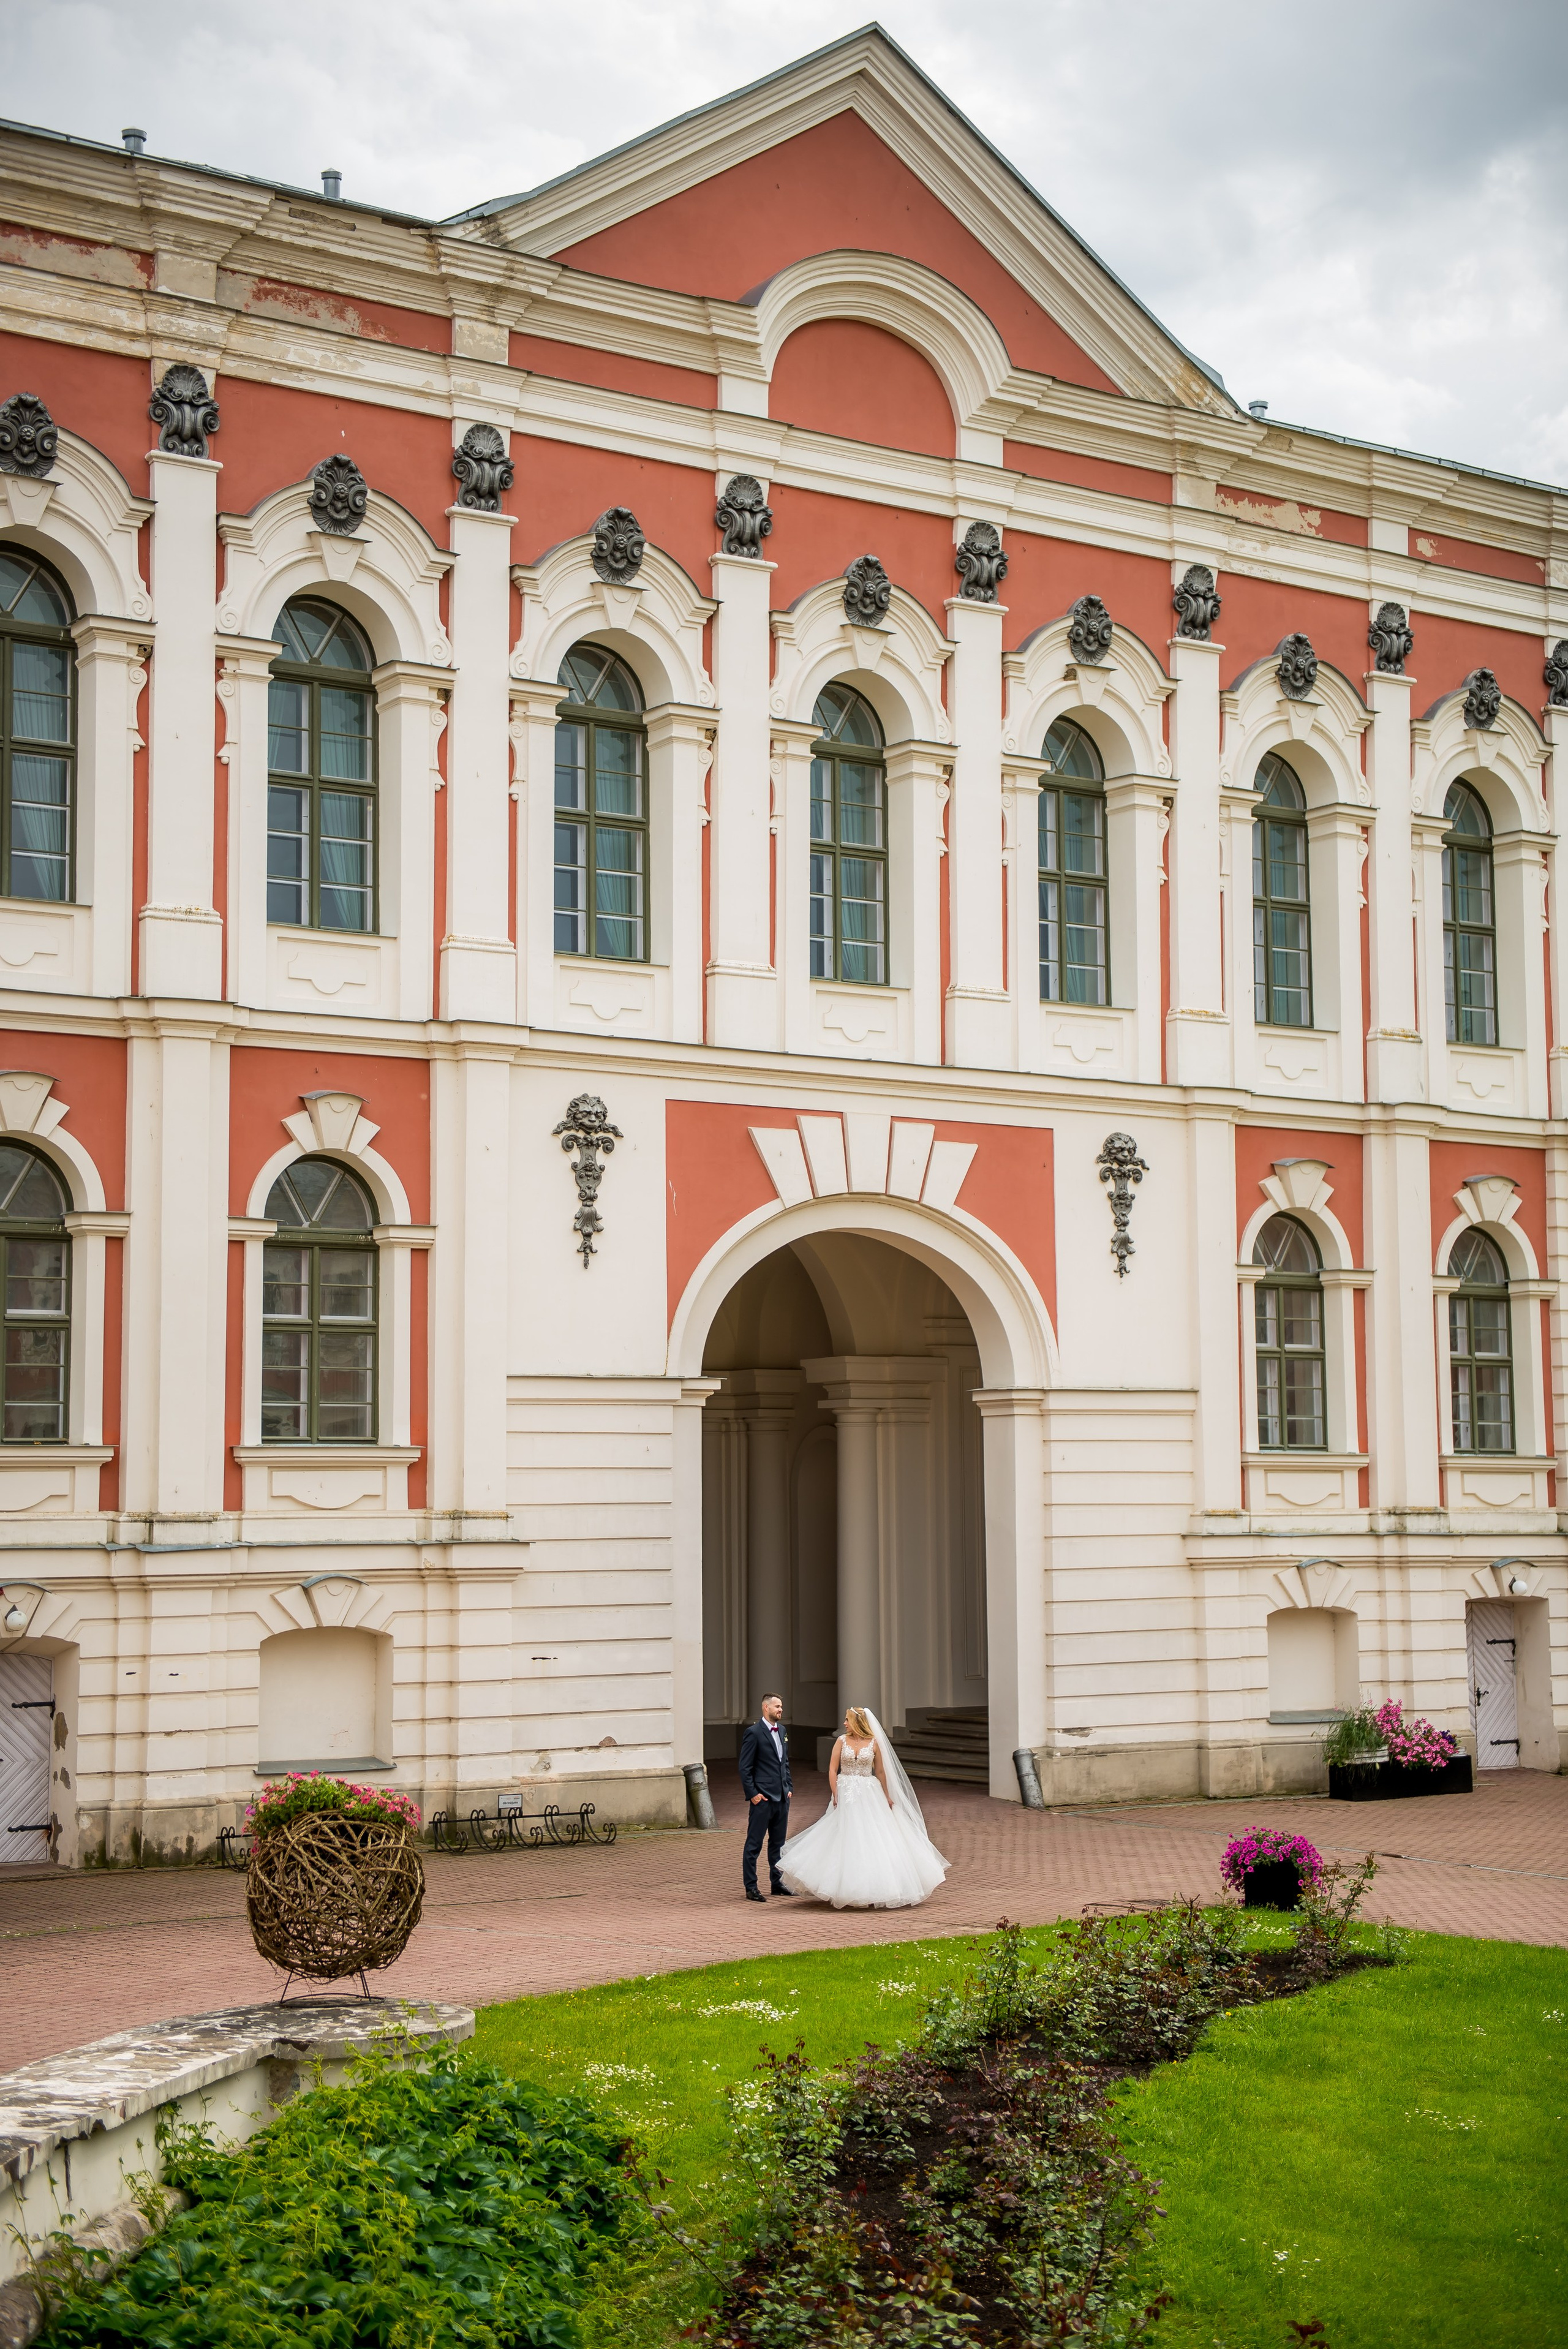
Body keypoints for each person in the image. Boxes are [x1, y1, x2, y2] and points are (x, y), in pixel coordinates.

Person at [778, 1706, 948, 1909]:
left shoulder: (875, 1743)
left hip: (869, 1790)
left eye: (847, 1720)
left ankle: (874, 1888)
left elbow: (881, 1772)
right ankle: (843, 1886)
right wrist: (835, 1792)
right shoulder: (841, 1741)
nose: (844, 1724)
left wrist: (887, 1796)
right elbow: (832, 1769)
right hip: (846, 1789)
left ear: (857, 1722)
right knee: (845, 1835)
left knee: (872, 1835)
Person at [737, 1691, 794, 1902]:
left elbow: (784, 1762)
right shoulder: (754, 1733)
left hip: (782, 1798)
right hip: (762, 1799)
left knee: (778, 1845)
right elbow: (745, 1768)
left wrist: (788, 1786)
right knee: (754, 1844)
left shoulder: (783, 1731)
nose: (781, 1710)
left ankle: (777, 1883)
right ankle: (751, 1887)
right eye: (777, 1707)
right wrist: (753, 1794)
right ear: (766, 1708)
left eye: (781, 1707)